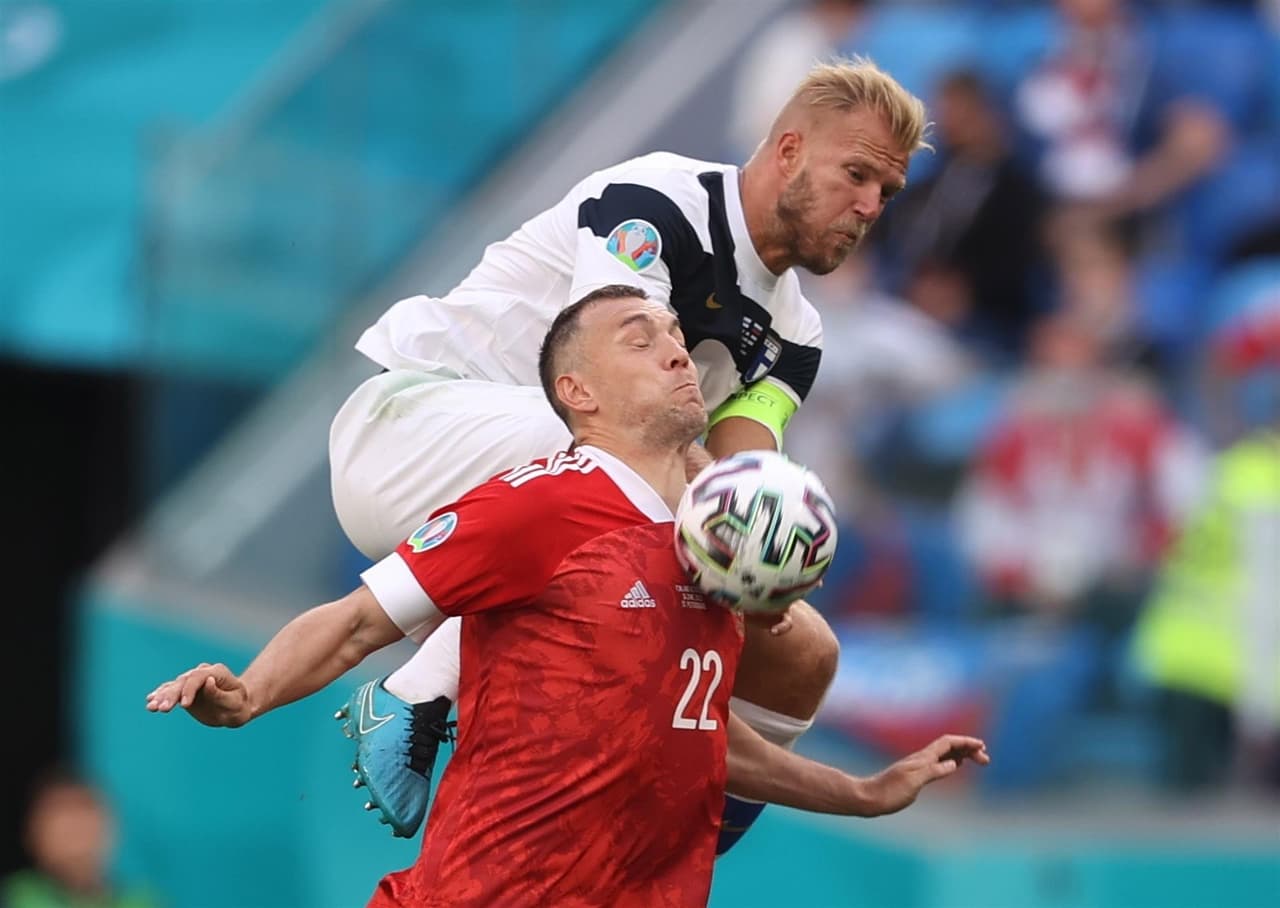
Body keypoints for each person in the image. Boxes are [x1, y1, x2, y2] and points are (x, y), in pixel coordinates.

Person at [147, 287, 989, 908]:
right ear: (578, 394)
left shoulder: (712, 555)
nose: (675, 350)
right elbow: (356, 620)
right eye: (639, 339)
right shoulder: (540, 502)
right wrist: (249, 693)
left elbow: (698, 744)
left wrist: (868, 793)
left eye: (673, 333)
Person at [326, 57, 930, 846]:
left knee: (805, 653)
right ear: (787, 149)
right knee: (635, 439)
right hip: (410, 432)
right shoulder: (658, 203)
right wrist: (728, 524)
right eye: (855, 174)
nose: (867, 206)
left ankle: (666, 843)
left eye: (885, 192)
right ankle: (414, 691)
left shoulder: (796, 334)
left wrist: (768, 569)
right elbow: (618, 390)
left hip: (552, 515)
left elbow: (737, 487)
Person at [1, 770, 157, 908]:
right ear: (34, 834)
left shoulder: (141, 901)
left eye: (85, 816)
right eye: (64, 826)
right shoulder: (14, 898)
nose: (77, 838)